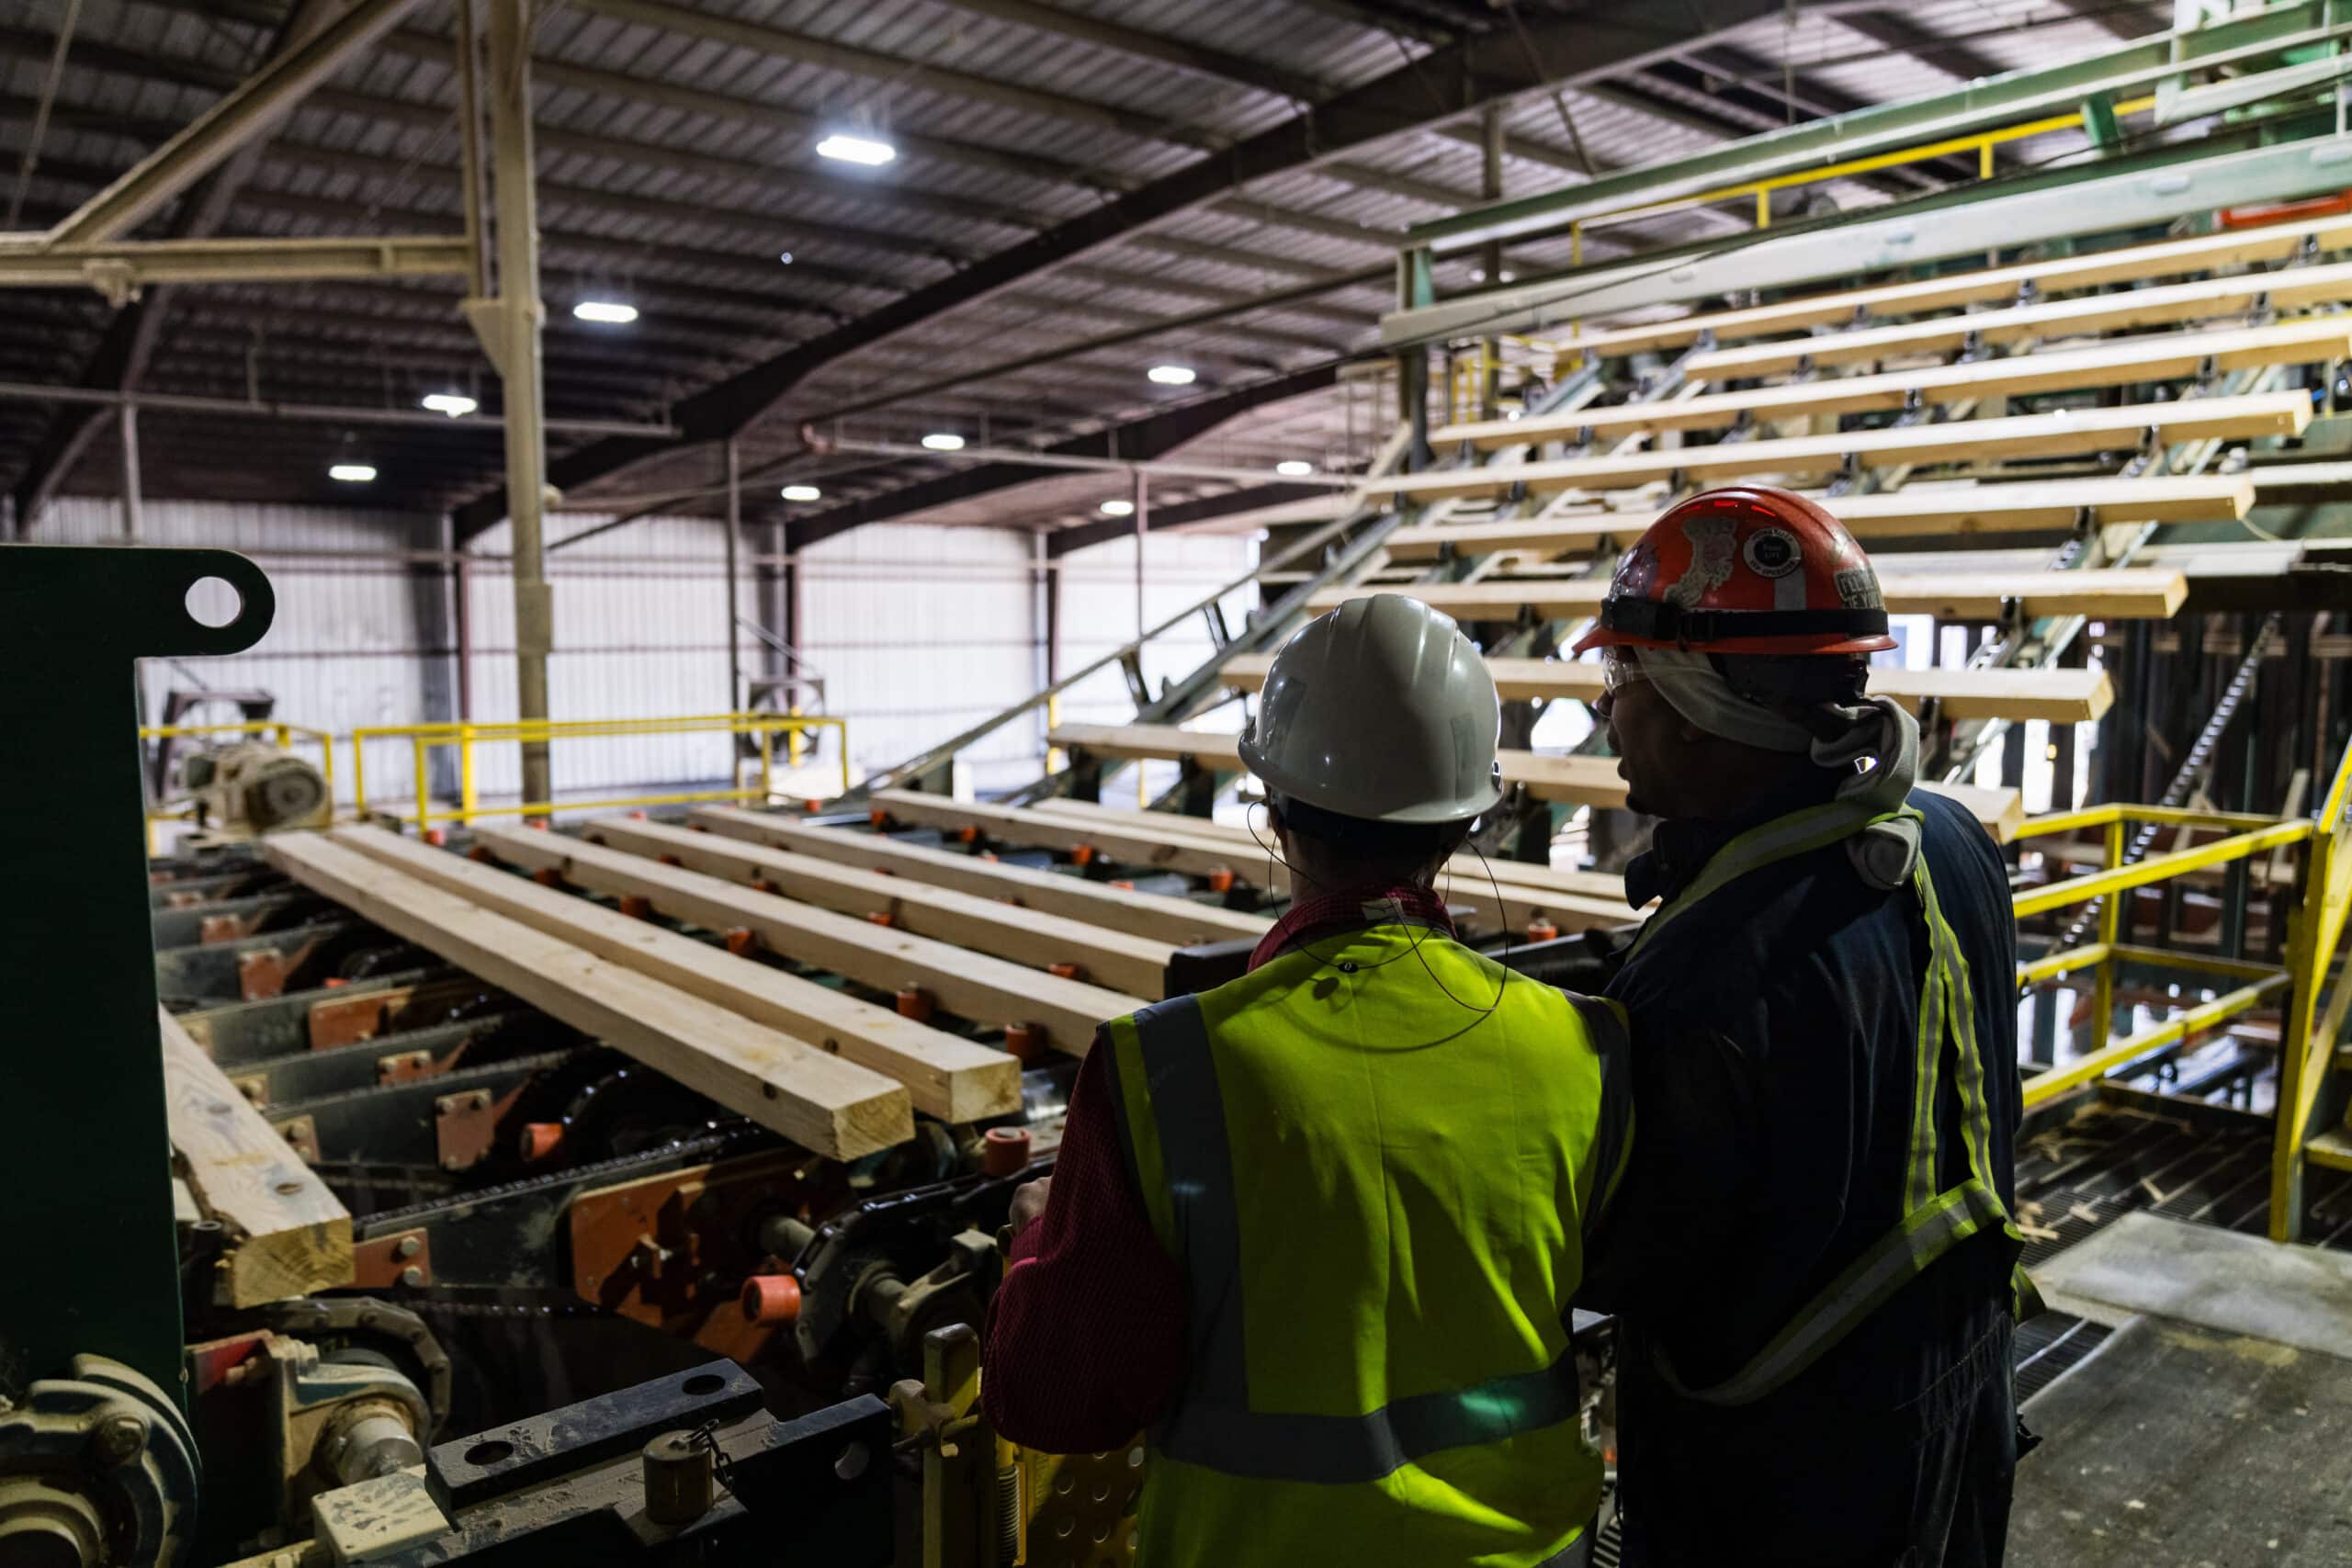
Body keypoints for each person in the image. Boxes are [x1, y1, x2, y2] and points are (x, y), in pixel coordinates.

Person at [985, 592, 1633, 1568]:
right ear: (1465, 822)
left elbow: (1058, 1400)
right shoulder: (1586, 1046)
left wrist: (1037, 1238)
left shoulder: (1161, 1068)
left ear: (1275, 816)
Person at [1573, 485, 2029, 1567]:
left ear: (1696, 702)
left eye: (1621, 677)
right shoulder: (1954, 839)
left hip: (1780, 1474)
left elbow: (1625, 1267)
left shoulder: (1699, 977)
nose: (1607, 712)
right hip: (1959, 1397)